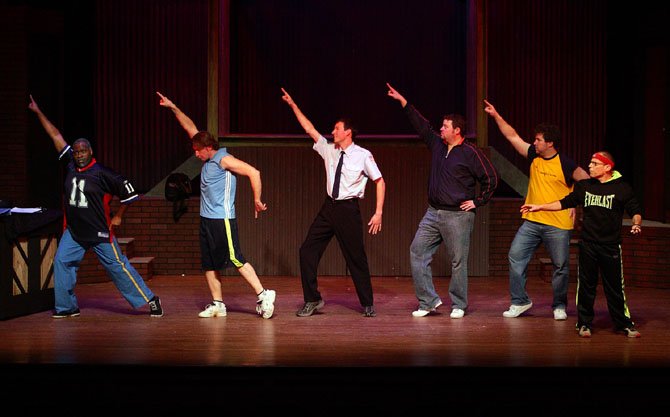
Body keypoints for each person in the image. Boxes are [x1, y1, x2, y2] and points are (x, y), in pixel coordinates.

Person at [28, 95, 163, 318]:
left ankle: (150, 299)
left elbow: (130, 194)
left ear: (90, 152)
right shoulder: (70, 165)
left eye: (83, 152)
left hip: (99, 232)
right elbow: (55, 135)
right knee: (62, 262)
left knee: (118, 268)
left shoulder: (103, 174)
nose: (79, 155)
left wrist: (119, 215)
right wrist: (38, 111)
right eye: (76, 152)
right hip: (75, 232)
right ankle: (67, 307)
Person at [157, 91, 276, 319]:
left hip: (222, 219)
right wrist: (173, 107)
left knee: (235, 258)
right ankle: (218, 304)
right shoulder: (208, 154)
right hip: (207, 220)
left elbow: (254, 172)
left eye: (197, 151)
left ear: (208, 148)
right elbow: (190, 127)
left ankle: (264, 293)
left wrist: (256, 199)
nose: (195, 154)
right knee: (209, 263)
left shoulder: (223, 159)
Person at [387, 83, 498, 319]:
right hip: (433, 213)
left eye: (445, 126)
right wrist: (404, 102)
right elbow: (422, 126)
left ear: (456, 131)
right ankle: (428, 301)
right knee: (417, 252)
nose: (441, 129)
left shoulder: (470, 153)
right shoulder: (438, 145)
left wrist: (477, 202)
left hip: (458, 215)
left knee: (458, 261)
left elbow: (491, 178)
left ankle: (459, 304)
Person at [281, 88, 385, 318]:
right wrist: (292, 105)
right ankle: (313, 299)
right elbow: (309, 129)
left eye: (336, 129)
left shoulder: (362, 155)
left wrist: (378, 212)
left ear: (347, 132)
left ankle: (367, 303)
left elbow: (379, 181)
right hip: (329, 207)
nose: (332, 132)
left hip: (348, 209)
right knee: (307, 251)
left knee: (355, 258)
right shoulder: (330, 151)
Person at [484, 99, 589, 320]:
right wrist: (496, 115)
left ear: (550, 143)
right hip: (532, 220)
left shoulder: (566, 164)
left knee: (560, 266)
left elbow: (588, 182)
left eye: (539, 140)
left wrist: (574, 205)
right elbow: (512, 136)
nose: (535, 142)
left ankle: (559, 305)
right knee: (515, 256)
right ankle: (519, 301)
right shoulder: (534, 155)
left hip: (558, 223)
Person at [521, 151, 642, 338]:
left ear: (607, 167)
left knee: (615, 287)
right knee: (586, 286)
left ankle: (623, 324)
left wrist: (636, 223)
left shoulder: (622, 188)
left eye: (595, 164)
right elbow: (565, 202)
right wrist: (539, 206)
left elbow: (635, 209)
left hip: (610, 246)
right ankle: (584, 323)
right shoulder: (585, 187)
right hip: (588, 245)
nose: (590, 167)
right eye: (590, 163)